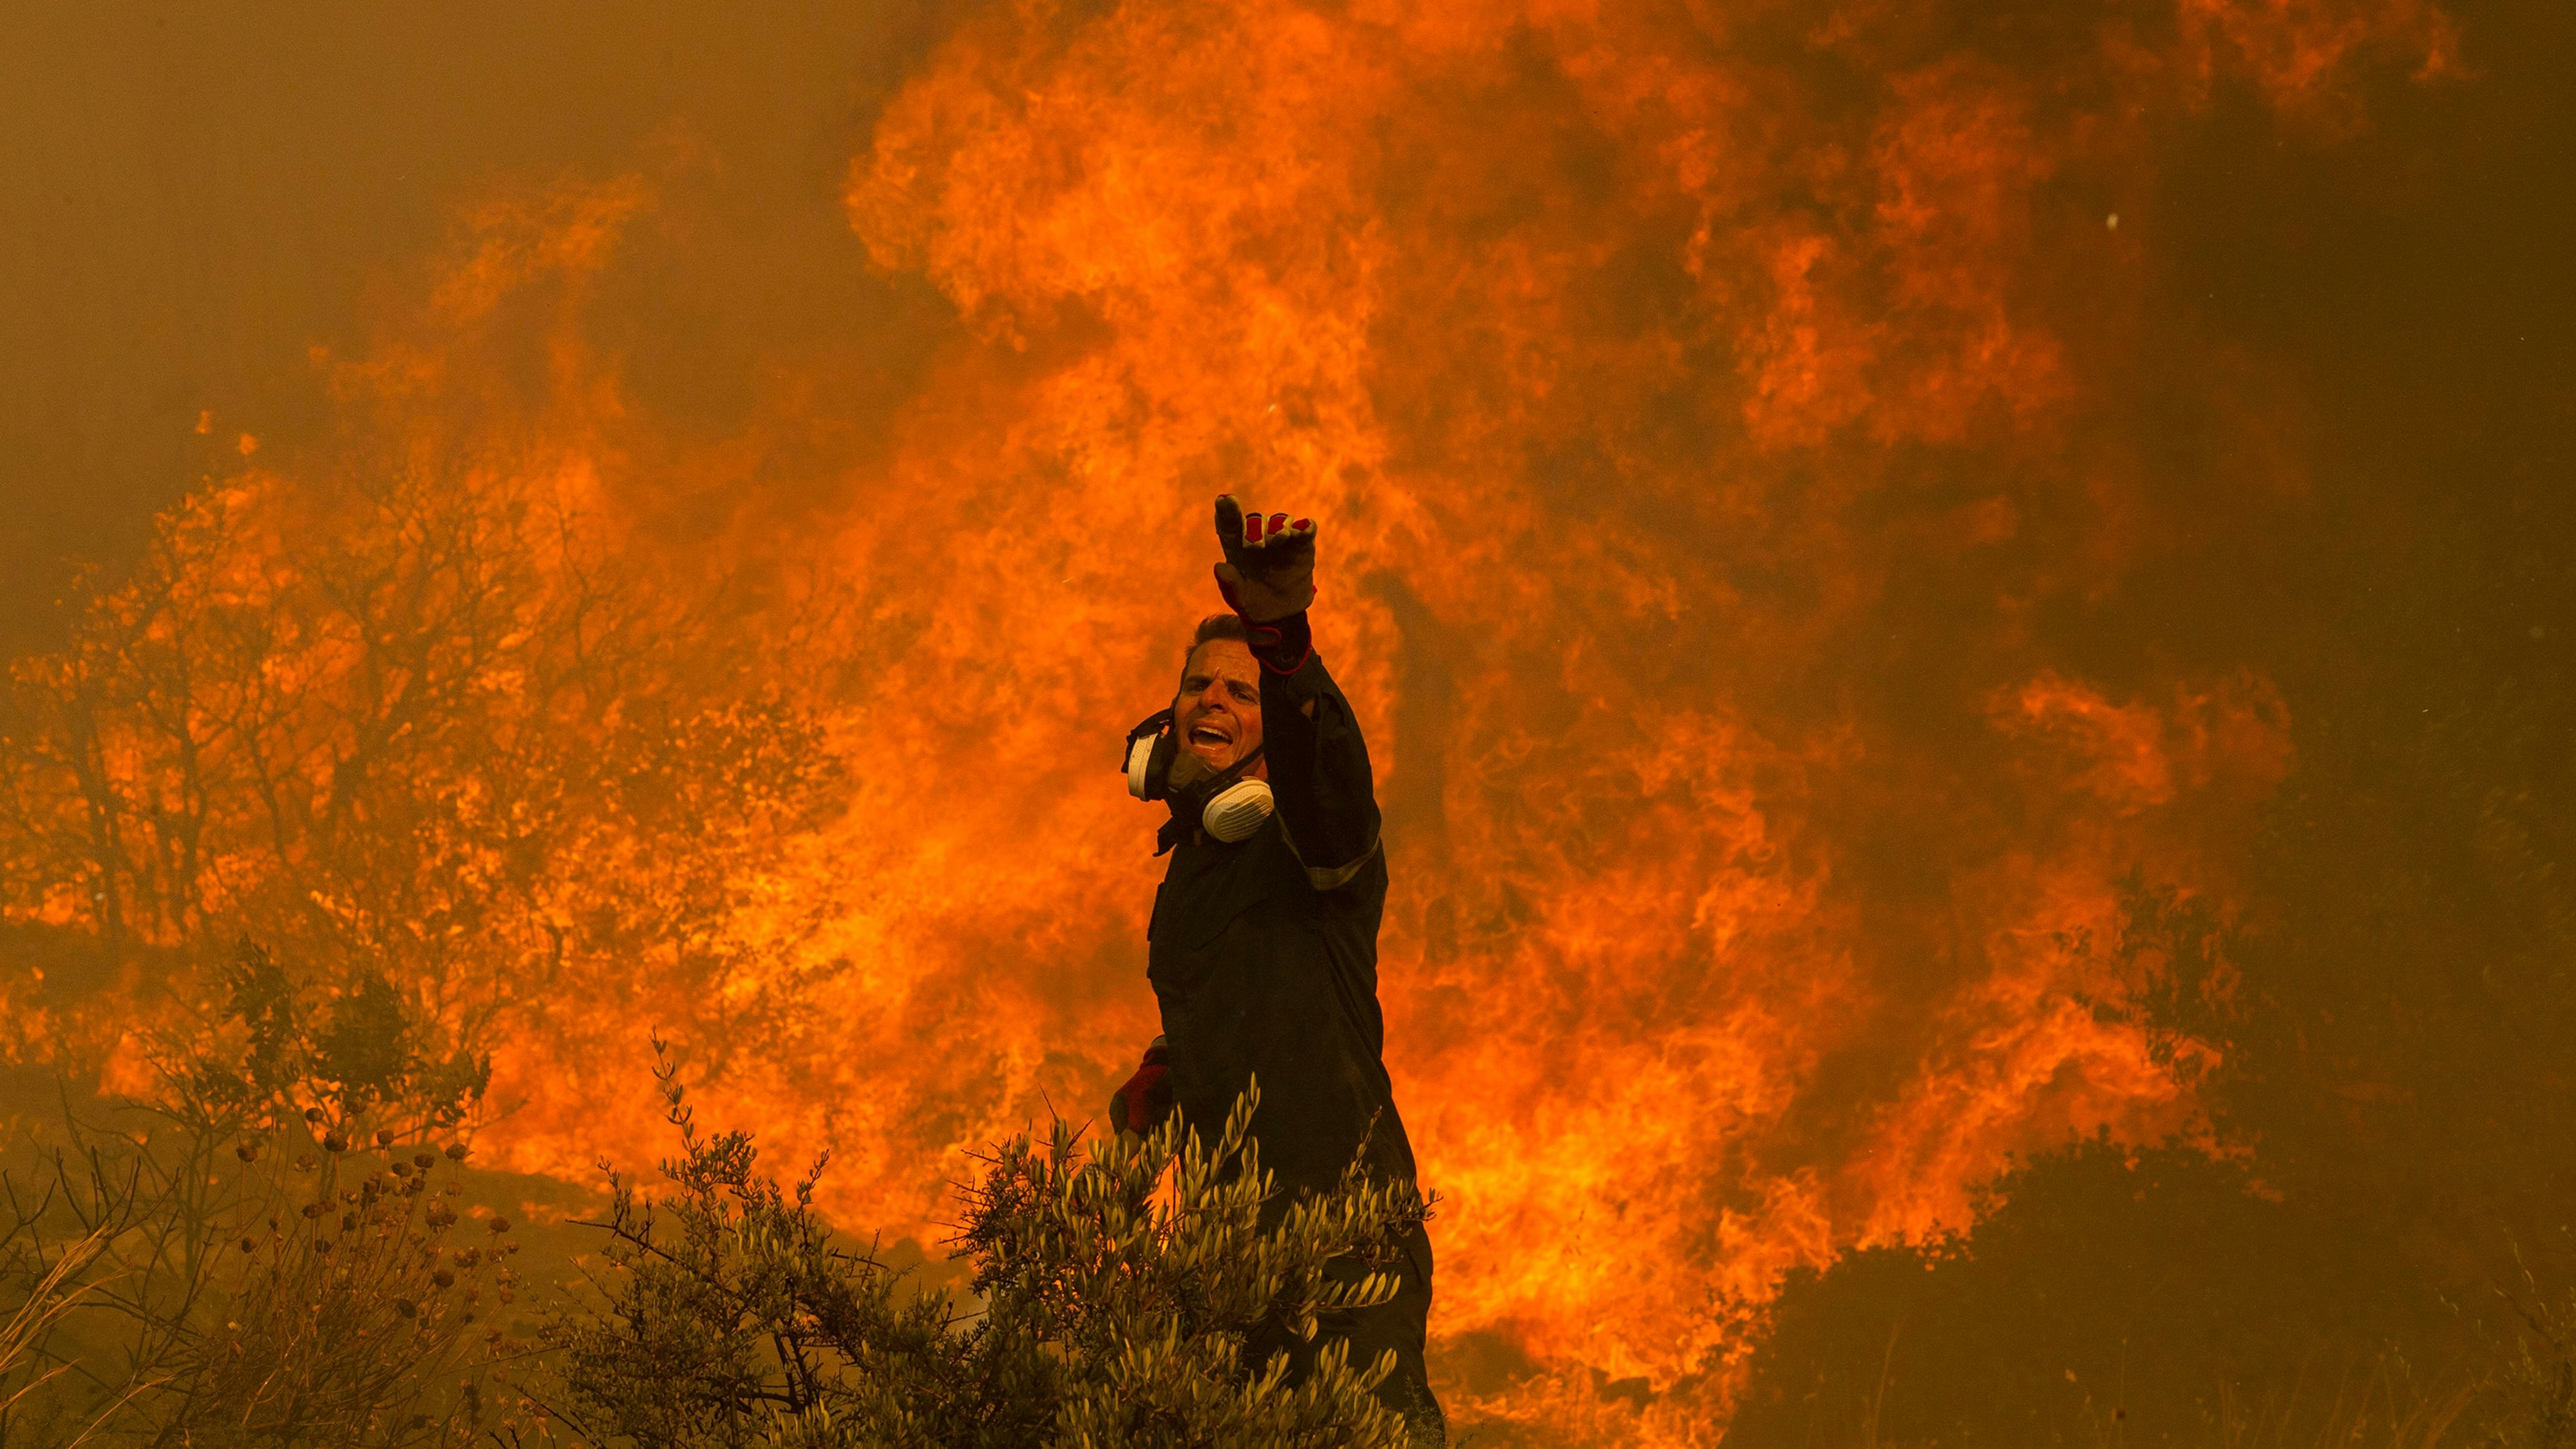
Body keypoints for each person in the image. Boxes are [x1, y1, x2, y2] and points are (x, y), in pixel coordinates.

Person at [1109, 495, 1443, 1443]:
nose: (1213, 700)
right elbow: (1245, 998)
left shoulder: (1314, 847)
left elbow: (1325, 780)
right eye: (1198, 687)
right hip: (1227, 1256)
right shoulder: (1190, 877)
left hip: (1346, 1247)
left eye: (1241, 691)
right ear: (1163, 726)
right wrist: (1171, 1068)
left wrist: (1285, 647)